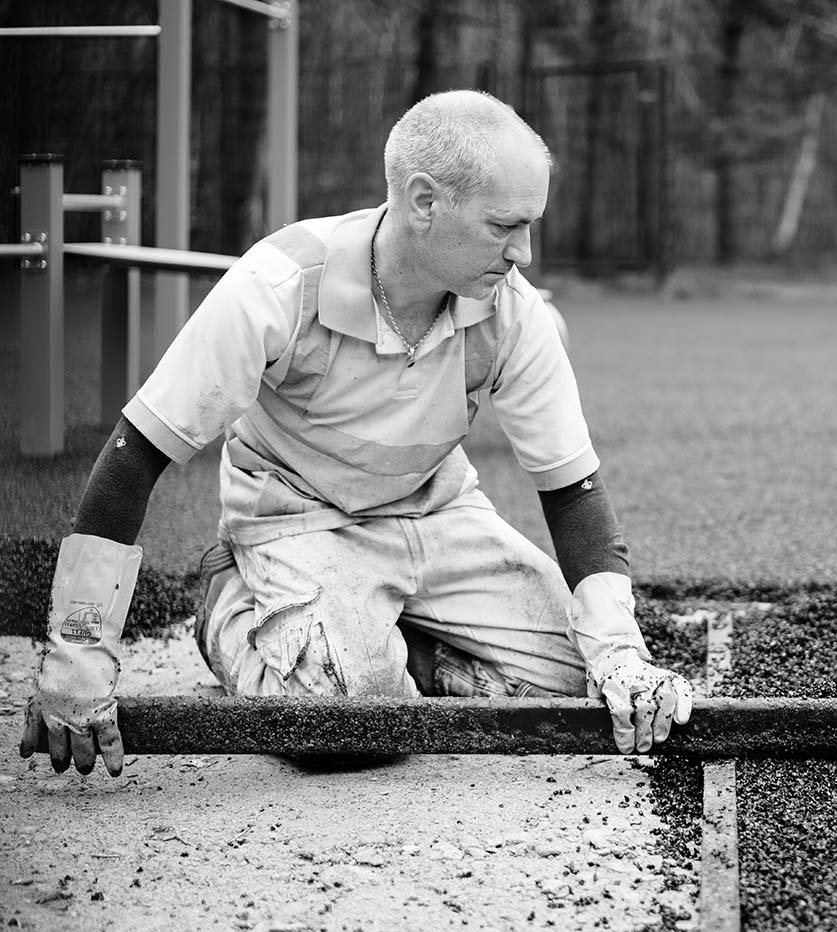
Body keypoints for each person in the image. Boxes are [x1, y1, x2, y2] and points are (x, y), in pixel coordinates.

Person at [19, 90, 693, 778]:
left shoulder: (515, 313)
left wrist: (619, 653)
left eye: (531, 226)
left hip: (436, 512)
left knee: (581, 688)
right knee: (348, 726)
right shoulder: (278, 286)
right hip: (297, 523)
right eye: (504, 226)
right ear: (425, 202)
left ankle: (401, 649)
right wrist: (78, 652)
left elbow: (573, 490)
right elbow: (136, 455)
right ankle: (230, 611)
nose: (524, 252)